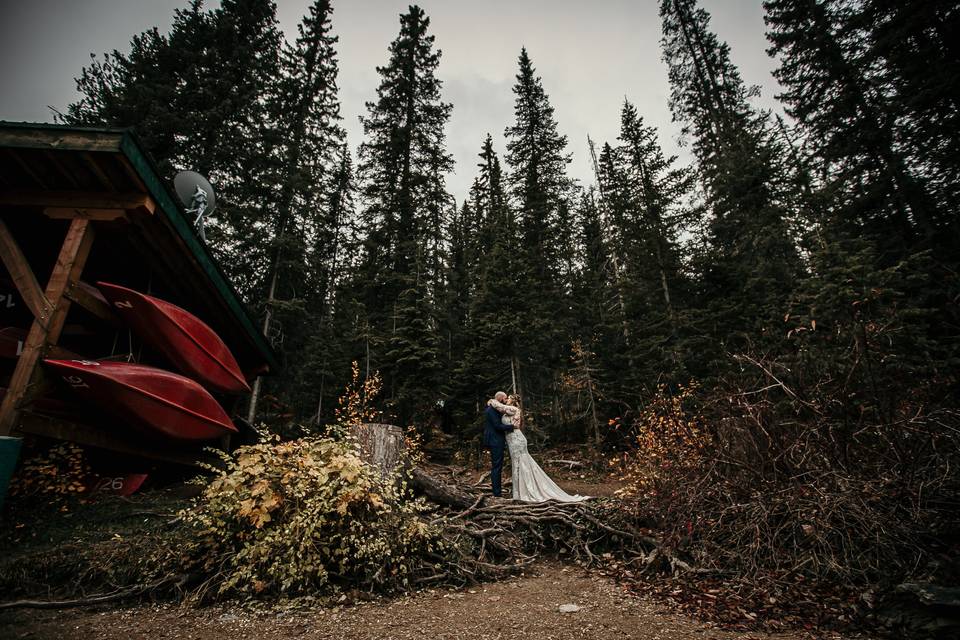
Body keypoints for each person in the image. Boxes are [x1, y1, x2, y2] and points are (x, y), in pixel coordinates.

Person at [487, 394, 590, 503]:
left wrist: (491, 401)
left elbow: (501, 407)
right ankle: (519, 491)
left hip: (517, 440)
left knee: (522, 464)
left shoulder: (513, 409)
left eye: (509, 398)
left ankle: (526, 491)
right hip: (512, 440)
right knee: (518, 465)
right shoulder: (507, 411)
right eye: (506, 398)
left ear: (513, 401)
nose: (506, 400)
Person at [482, 391, 514, 497]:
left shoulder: (494, 408)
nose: (505, 401)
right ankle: (497, 493)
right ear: (500, 399)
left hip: (495, 440)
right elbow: (497, 426)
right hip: (494, 441)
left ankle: (497, 491)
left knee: (497, 466)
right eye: (504, 399)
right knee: (497, 466)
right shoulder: (491, 410)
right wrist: (512, 427)